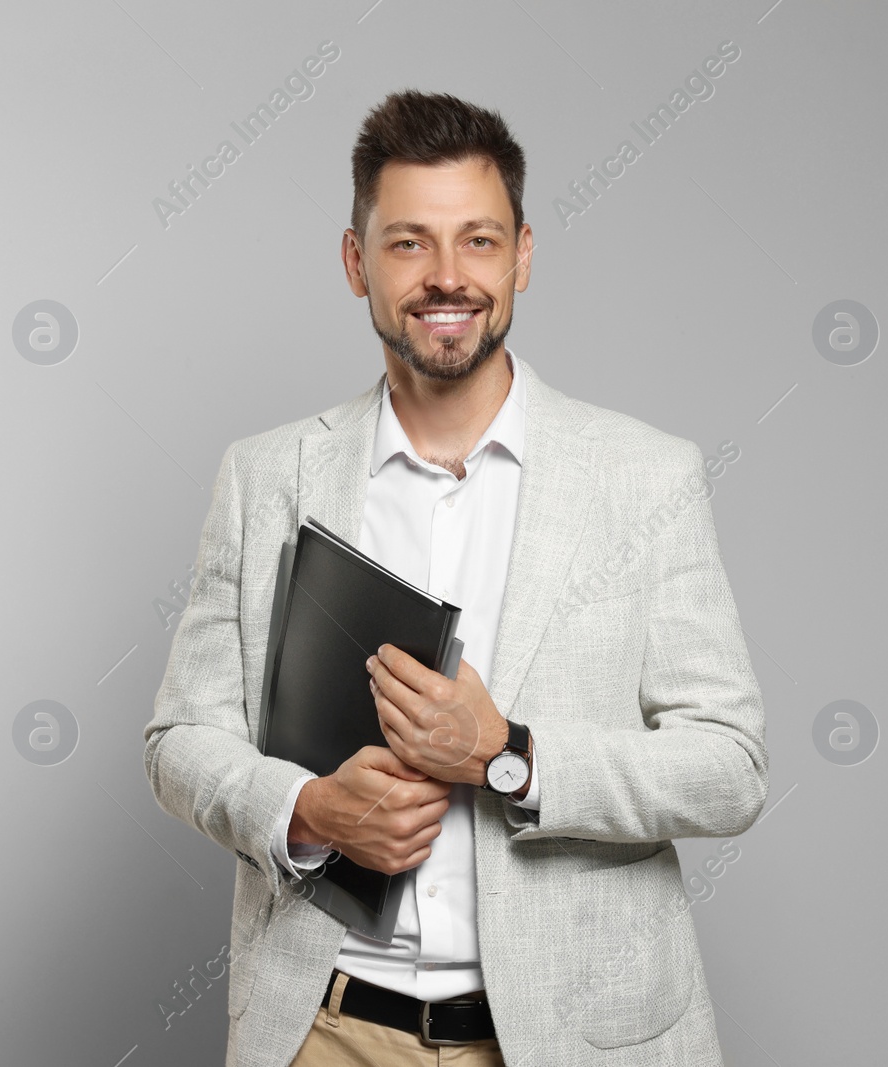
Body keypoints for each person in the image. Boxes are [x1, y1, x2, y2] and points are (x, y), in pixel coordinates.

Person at [144, 89, 767, 1067]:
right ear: (356, 263)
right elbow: (181, 738)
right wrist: (305, 811)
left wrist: (507, 753)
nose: (446, 277)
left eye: (477, 241)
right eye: (407, 243)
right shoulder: (265, 475)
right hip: (327, 1029)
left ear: (521, 253)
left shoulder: (646, 476)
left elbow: (728, 767)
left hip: (573, 1038)